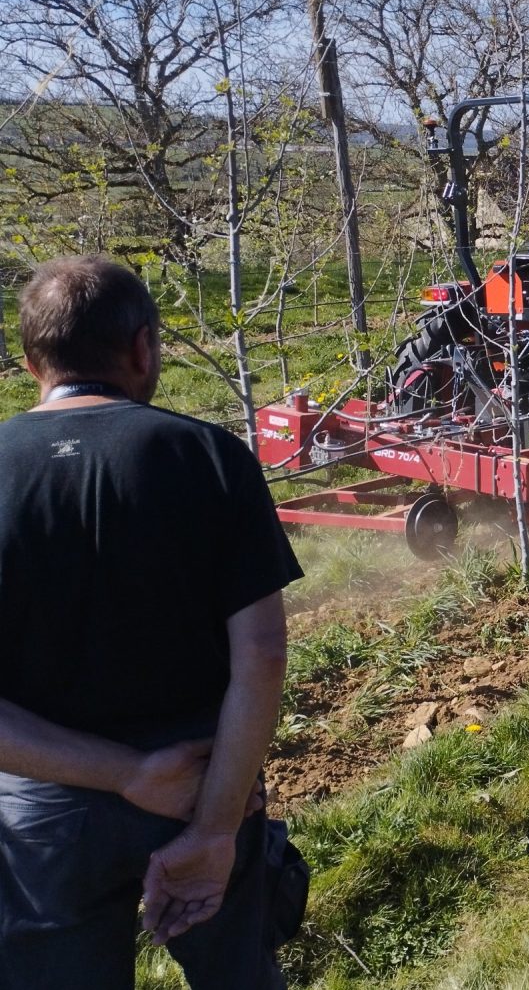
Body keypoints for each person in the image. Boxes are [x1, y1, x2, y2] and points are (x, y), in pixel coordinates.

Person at [0, 256, 301, 989]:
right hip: (202, 781)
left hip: (42, 816)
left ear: (30, 360)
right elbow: (260, 656)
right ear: (141, 347)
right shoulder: (207, 455)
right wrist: (216, 827)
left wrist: (124, 774)